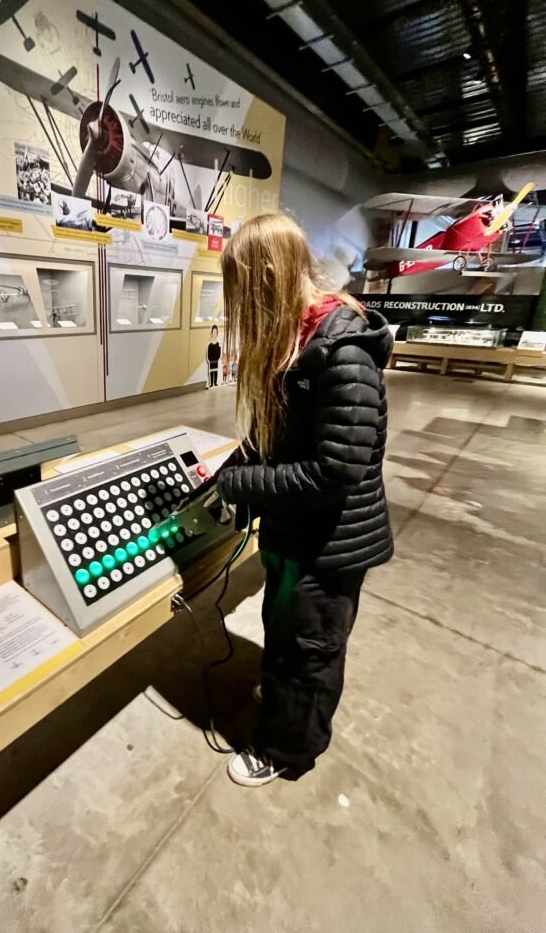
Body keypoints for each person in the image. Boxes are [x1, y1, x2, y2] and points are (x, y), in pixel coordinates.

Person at [212, 213, 393, 787]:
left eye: (242, 285)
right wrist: (227, 468)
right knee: (286, 631)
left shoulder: (342, 353)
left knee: (311, 650)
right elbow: (279, 434)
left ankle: (288, 749)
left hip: (331, 544)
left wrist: (242, 486)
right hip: (298, 535)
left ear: (268, 275)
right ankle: (286, 706)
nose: (238, 302)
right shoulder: (298, 340)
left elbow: (334, 472)